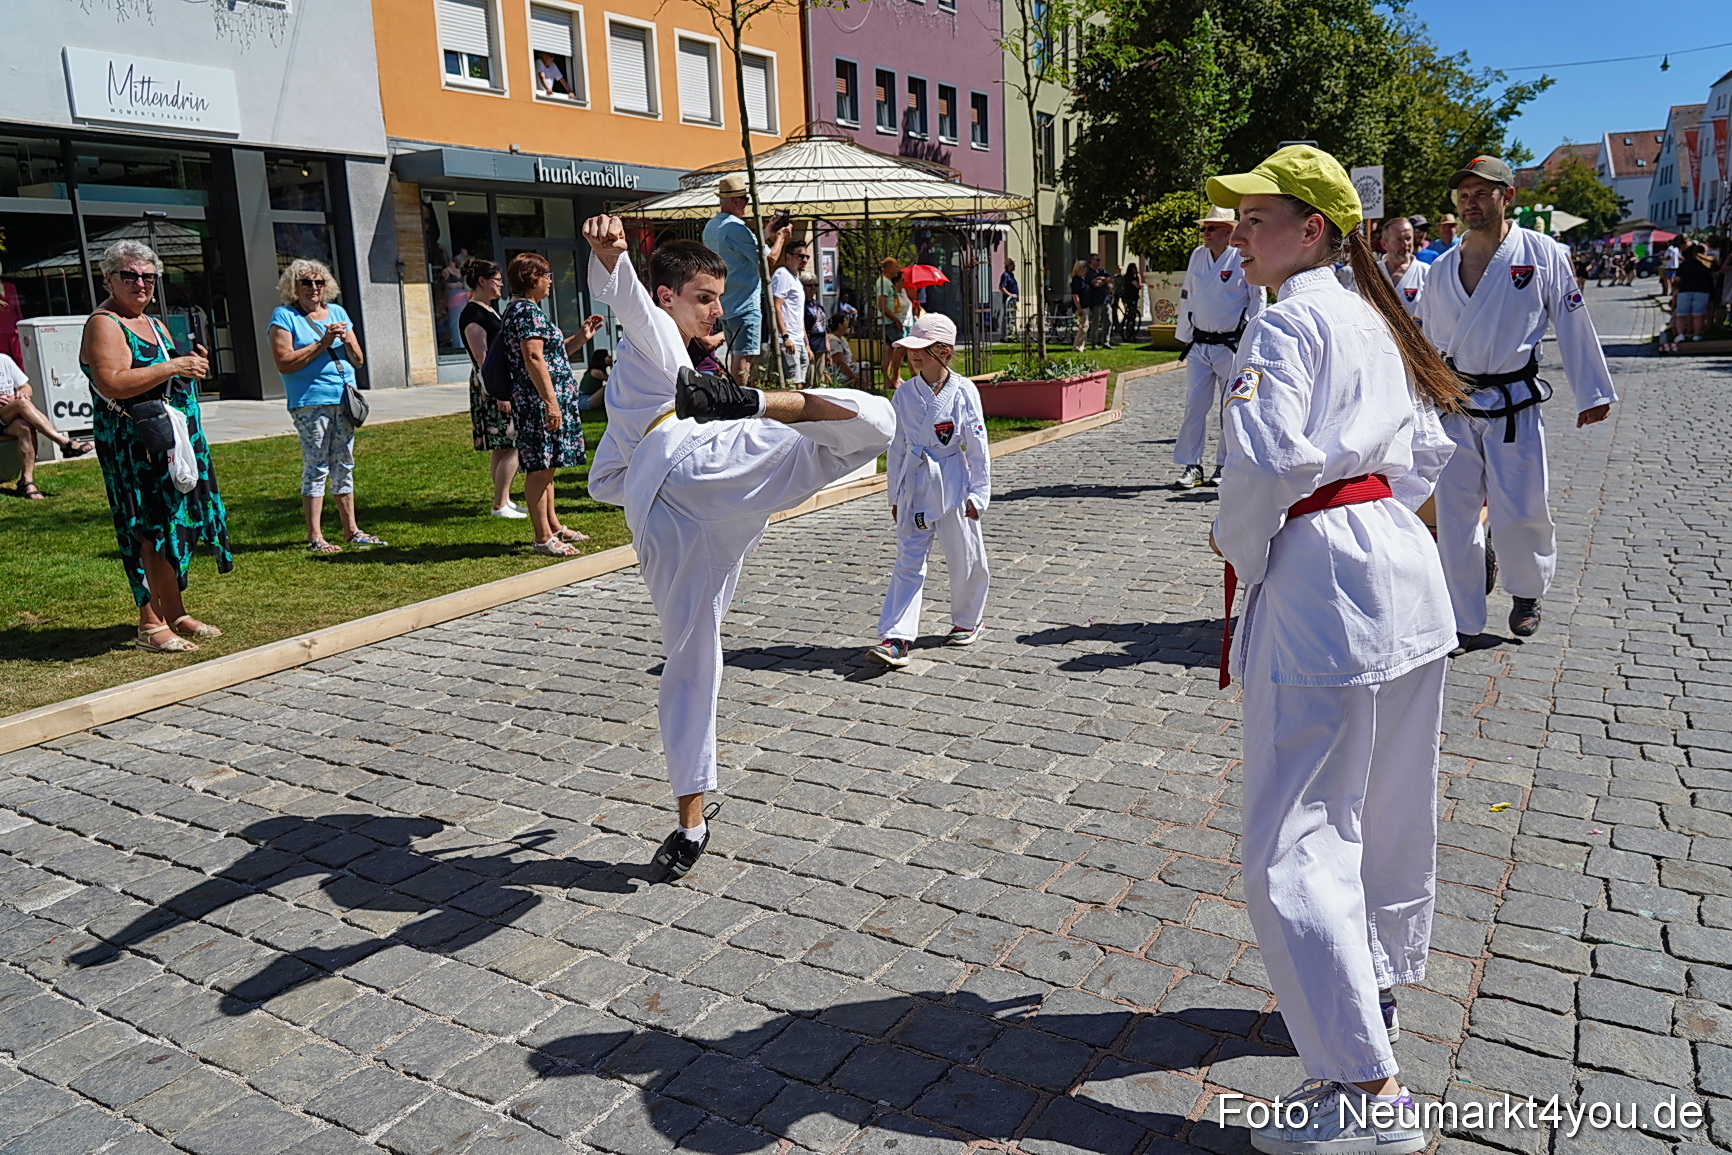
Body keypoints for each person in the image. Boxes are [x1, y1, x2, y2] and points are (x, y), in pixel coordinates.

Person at [1205, 144, 1464, 1155]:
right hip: (1397, 567)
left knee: (1296, 838)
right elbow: (1428, 449)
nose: (1239, 237)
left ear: (1311, 228)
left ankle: (1363, 1086)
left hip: (1324, 574)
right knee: (1387, 806)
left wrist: (1240, 551)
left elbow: (1257, 468)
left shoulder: (1289, 320)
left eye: (1257, 219)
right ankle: (1376, 995)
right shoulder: (1370, 313)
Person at [582, 214, 894, 881]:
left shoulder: (649, 372)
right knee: (878, 422)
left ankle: (689, 825)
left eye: (719, 298)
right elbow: (634, 302)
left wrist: (647, 488)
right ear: (669, 296)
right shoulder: (657, 332)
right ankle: (753, 403)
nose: (717, 309)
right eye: (703, 296)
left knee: (693, 663)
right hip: (700, 467)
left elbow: (604, 478)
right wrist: (612, 260)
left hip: (674, 522)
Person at [1417, 155, 1616, 651]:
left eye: (1482, 193)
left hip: (1514, 405)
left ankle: (1526, 593)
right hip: (1458, 405)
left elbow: (1573, 319)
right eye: (1464, 195)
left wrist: (1592, 390)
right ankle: (1461, 617)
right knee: (1455, 515)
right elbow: (1427, 342)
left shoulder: (1541, 253)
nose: (1471, 202)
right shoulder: (1440, 269)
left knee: (1521, 508)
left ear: (1508, 197)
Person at [79, 239, 231, 653]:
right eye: (129, 275)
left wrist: (190, 365)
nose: (140, 283)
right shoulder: (105, 323)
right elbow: (111, 381)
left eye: (148, 276)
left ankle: (175, 611)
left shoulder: (153, 322)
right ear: (109, 278)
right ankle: (150, 622)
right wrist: (174, 365)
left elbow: (162, 377)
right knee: (145, 529)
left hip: (168, 440)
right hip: (135, 445)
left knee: (170, 524)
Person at [866, 312, 991, 669]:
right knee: (908, 561)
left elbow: (978, 446)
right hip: (916, 485)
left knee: (965, 557)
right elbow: (898, 447)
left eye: (924, 349)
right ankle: (896, 637)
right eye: (911, 349)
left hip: (953, 483)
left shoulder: (964, 391)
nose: (914, 355)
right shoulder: (905, 394)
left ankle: (968, 619)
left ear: (945, 351)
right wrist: (894, 495)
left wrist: (978, 495)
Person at [269, 258, 387, 555]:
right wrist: (323, 342)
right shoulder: (284, 317)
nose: (313, 288)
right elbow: (284, 363)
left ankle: (352, 530)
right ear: (293, 287)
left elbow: (358, 360)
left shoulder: (338, 312)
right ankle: (315, 535)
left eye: (318, 282)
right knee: (317, 465)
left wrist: (346, 338)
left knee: (344, 462)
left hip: (342, 399)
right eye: (306, 282)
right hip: (310, 403)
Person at [499, 252, 590, 557]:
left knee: (547, 466)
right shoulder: (525, 312)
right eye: (546, 275)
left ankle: (552, 526)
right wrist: (551, 402)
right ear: (531, 279)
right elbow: (533, 357)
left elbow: (550, 354)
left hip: (540, 399)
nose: (550, 281)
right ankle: (542, 538)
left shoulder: (528, 310)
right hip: (537, 401)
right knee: (539, 468)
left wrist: (581, 337)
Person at [1173, 206, 1266, 488]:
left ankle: (1224, 465)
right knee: (1194, 405)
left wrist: (1254, 338)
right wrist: (1185, 333)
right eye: (1204, 228)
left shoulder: (1242, 257)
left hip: (1230, 345)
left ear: (1228, 231)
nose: (1205, 233)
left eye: (1211, 228)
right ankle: (1192, 465)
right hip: (1200, 343)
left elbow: (1256, 298)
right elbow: (1187, 295)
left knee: (1230, 407)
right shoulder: (1197, 256)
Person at [701, 173, 790, 381]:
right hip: (744, 304)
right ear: (735, 201)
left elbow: (743, 248)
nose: (747, 204)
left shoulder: (712, 226)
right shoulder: (736, 228)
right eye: (745, 200)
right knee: (744, 357)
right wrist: (781, 238)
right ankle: (738, 403)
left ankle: (735, 400)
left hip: (727, 303)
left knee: (736, 354)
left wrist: (767, 231)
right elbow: (769, 260)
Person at [458, 257, 526, 520]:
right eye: (496, 281)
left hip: (494, 381)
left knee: (502, 445)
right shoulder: (473, 314)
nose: (500, 286)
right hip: (491, 383)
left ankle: (504, 499)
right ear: (482, 281)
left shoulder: (488, 309)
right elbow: (482, 357)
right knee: (513, 443)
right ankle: (499, 504)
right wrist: (499, 392)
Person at [0, 351, 93, 498]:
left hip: (8, 417)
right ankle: (64, 443)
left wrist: (22, 393)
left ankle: (26, 482)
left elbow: (27, 387)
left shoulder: (4, 360)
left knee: (25, 427)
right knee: (22, 404)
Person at [770, 239, 811, 386]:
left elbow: (799, 316)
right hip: (788, 340)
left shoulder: (796, 280)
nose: (804, 260)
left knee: (803, 385)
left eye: (807, 257)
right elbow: (776, 306)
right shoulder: (782, 275)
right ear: (788, 257)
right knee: (794, 385)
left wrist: (806, 343)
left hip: (799, 341)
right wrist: (785, 336)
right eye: (800, 256)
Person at [1377, 215, 1428, 317]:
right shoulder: (1372, 273)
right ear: (1384, 244)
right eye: (1398, 240)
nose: (1405, 244)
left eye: (1408, 238)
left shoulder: (1427, 272)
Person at [875, 258, 913, 383]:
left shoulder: (887, 282)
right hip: (889, 322)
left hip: (889, 321)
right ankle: (895, 378)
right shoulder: (884, 283)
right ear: (889, 267)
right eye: (895, 266)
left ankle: (887, 379)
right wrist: (895, 319)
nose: (897, 269)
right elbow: (882, 305)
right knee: (902, 347)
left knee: (889, 350)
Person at [1674, 242, 1715, 340]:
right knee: (1698, 315)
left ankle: (1680, 335)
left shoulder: (1685, 263)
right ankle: (1697, 335)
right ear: (1704, 252)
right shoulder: (1707, 263)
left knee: (1681, 315)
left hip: (1685, 290)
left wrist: (1675, 290)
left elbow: (1677, 279)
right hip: (1702, 291)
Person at [823, 310, 865, 387]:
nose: (847, 326)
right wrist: (853, 376)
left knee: (864, 366)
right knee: (865, 367)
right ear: (840, 325)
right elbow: (840, 362)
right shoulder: (833, 340)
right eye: (846, 323)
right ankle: (859, 387)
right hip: (839, 372)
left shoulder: (842, 338)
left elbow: (851, 358)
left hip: (849, 366)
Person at [1084, 253, 1114, 348]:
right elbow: (1095, 284)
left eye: (1099, 260)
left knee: (1108, 321)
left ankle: (1106, 342)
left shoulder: (1101, 271)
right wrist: (1103, 281)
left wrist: (1102, 279)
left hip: (1106, 300)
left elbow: (1110, 279)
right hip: (1096, 301)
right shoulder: (1088, 272)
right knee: (1096, 323)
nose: (1098, 262)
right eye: (1097, 260)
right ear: (1091, 261)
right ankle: (1094, 343)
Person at [1118, 262, 1143, 341]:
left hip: (1126, 296)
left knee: (1128, 313)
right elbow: (1138, 286)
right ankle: (1130, 331)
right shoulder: (1132, 277)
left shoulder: (1126, 277)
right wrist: (1139, 278)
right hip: (1132, 297)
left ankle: (1127, 328)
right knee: (1132, 315)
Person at [1068, 260, 1089, 352]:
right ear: (1079, 268)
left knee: (1085, 327)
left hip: (1085, 306)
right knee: (1083, 327)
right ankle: (1077, 346)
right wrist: (1079, 308)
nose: (1086, 269)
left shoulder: (1082, 279)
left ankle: (1082, 345)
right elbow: (1075, 295)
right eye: (1084, 267)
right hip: (1081, 307)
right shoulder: (1076, 280)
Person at [998, 258, 1020, 338]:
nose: (1015, 266)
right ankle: (1005, 335)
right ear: (1009, 266)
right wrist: (1010, 294)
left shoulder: (1011, 275)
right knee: (1007, 317)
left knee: (1012, 317)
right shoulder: (1005, 275)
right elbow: (1001, 287)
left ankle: (1011, 333)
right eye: (1013, 265)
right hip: (1008, 301)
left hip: (1013, 301)